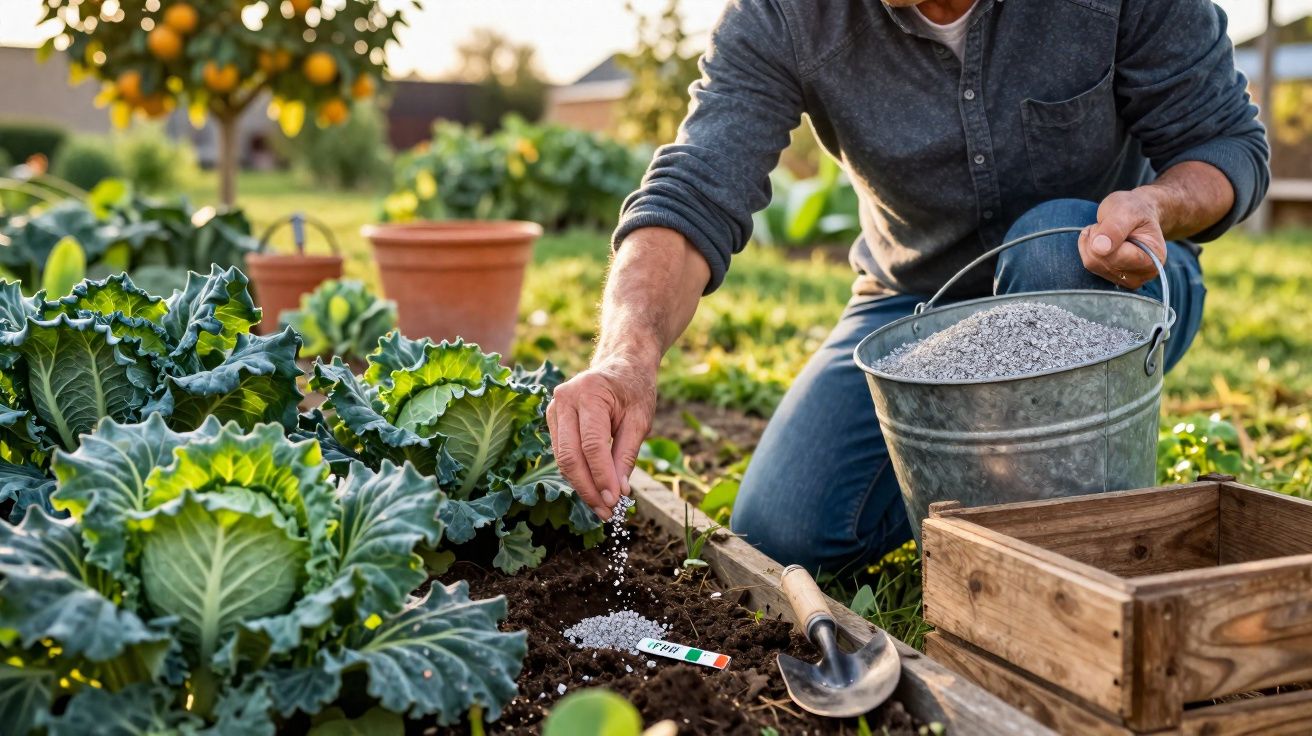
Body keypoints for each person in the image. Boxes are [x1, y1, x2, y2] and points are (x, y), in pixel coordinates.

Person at [547, 0, 1269, 575]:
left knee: (1053, 249)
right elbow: (696, 188)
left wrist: (1158, 205)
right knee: (781, 532)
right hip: (916, 303)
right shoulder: (787, 15)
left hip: (1104, 274)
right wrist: (626, 357)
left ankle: (1063, 564)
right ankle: (983, 477)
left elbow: (1226, 145)